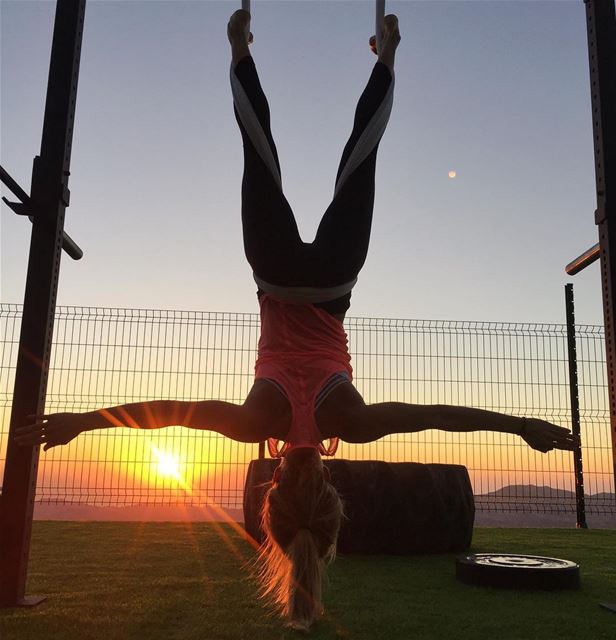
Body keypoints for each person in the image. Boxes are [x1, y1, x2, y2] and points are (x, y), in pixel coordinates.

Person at [15, 10, 576, 631]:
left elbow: (439, 417)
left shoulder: (350, 422)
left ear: (333, 496)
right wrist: (82, 423)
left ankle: (386, 57)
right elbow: (170, 410)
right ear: (272, 493)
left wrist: (526, 427)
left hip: (336, 277)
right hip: (275, 273)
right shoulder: (260, 419)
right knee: (260, 149)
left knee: (360, 155)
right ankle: (239, 51)